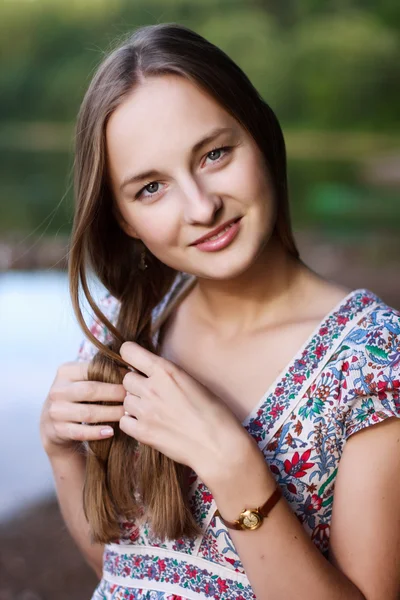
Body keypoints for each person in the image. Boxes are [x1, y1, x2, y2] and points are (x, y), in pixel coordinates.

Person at [40, 23, 400, 600]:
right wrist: (61, 452)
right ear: (124, 219)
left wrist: (237, 471)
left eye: (213, 154)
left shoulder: (370, 361)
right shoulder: (129, 326)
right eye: (151, 187)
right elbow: (124, 570)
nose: (201, 207)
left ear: (259, 135)